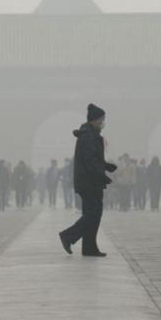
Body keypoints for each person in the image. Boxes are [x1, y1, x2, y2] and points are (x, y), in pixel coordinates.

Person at [59, 103, 116, 257]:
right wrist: (102, 175)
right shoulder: (90, 136)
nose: (103, 122)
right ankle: (68, 236)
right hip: (90, 182)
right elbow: (90, 161)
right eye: (102, 119)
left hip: (88, 181)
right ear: (96, 119)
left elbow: (93, 159)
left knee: (92, 213)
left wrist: (106, 166)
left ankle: (89, 247)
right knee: (93, 214)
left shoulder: (89, 135)